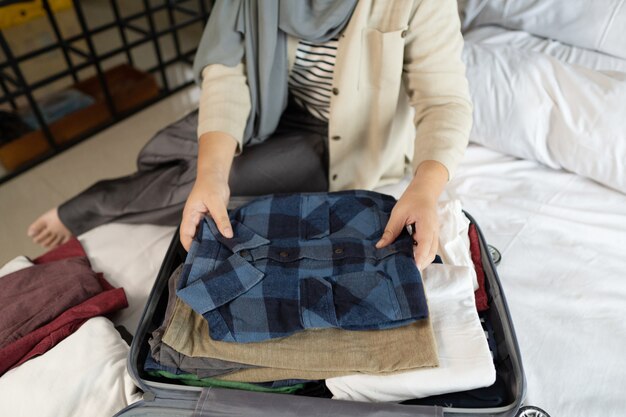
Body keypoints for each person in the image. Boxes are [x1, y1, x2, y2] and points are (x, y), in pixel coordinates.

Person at [28, 0, 472, 270]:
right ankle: (173, 181)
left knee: (210, 183)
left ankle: (87, 205)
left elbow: (444, 100)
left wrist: (425, 189)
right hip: (270, 104)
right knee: (174, 155)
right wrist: (211, 172)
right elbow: (228, 71)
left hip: (335, 140)